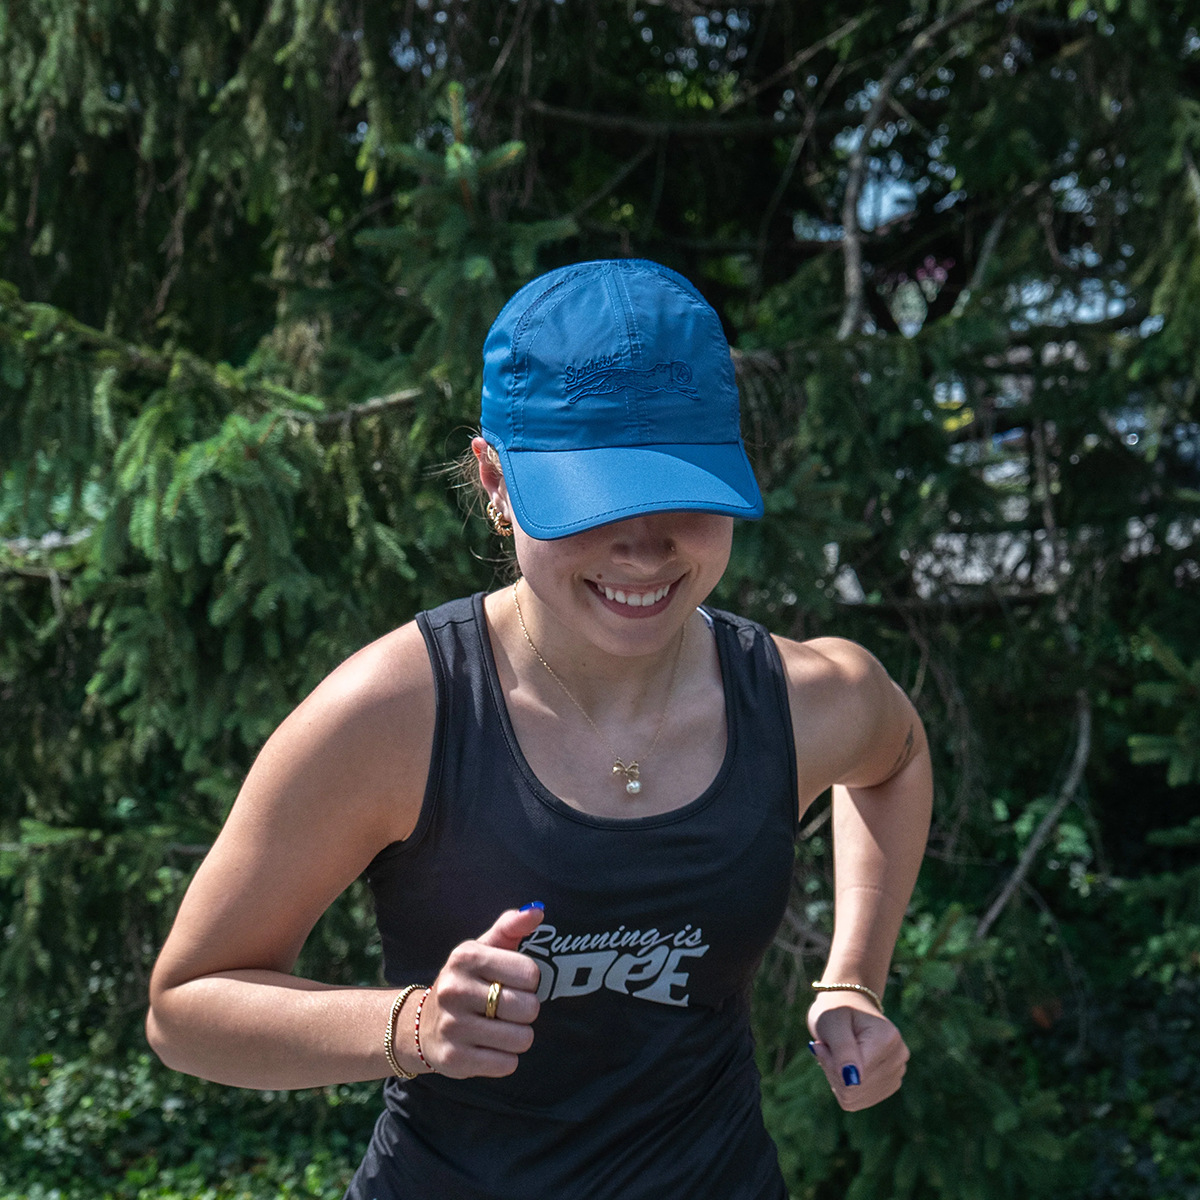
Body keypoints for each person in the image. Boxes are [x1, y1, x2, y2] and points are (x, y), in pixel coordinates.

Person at [146, 258, 932, 1200]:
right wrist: (412, 1028)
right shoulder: (396, 716)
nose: (643, 547)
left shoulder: (807, 697)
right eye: (594, 499)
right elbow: (186, 1009)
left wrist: (852, 980)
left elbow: (898, 758)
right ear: (496, 479)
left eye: (682, 490)